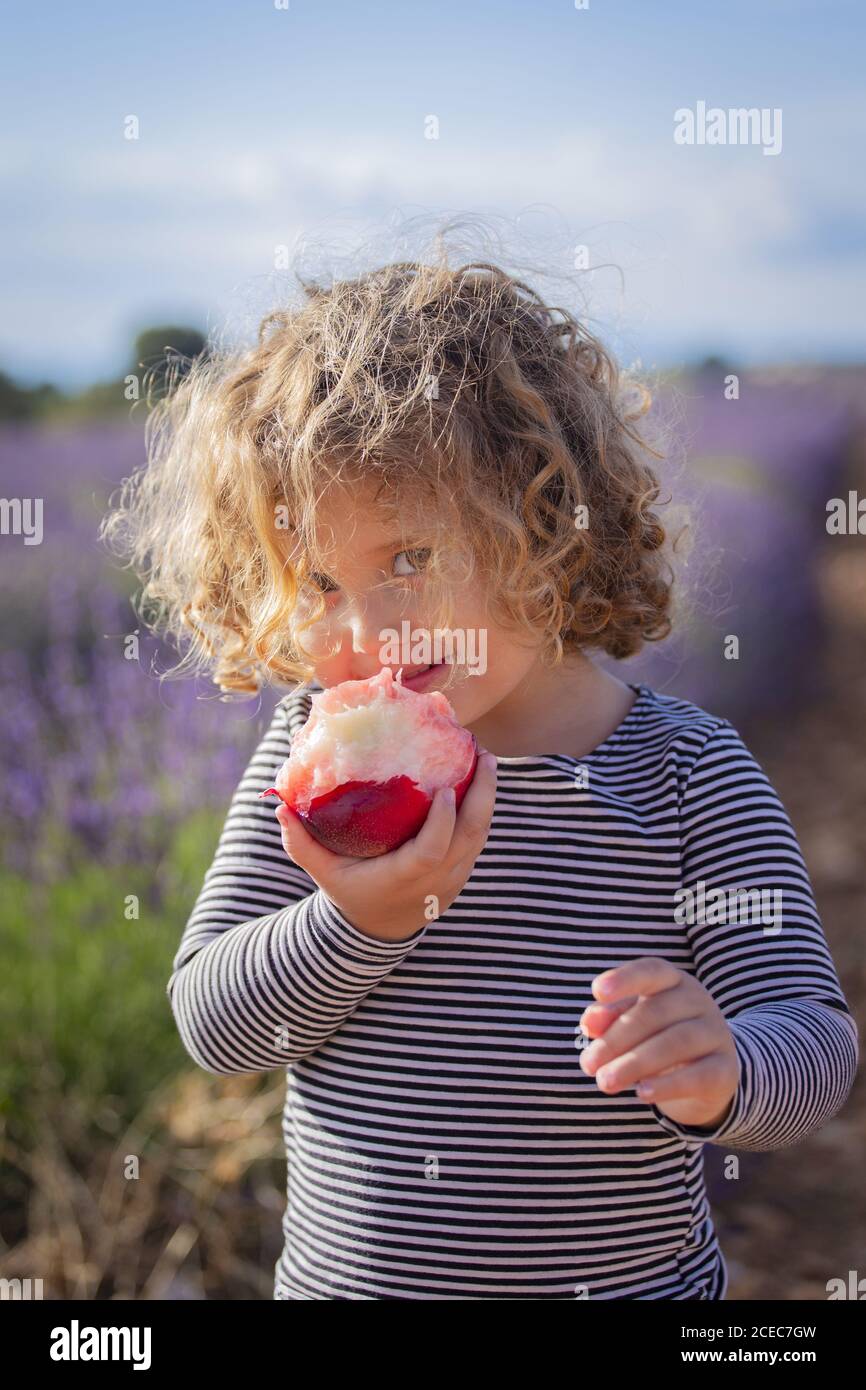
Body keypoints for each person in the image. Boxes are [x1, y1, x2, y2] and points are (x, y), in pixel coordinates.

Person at [103, 255, 858, 1299]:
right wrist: (356, 921)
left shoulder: (686, 774)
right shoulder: (308, 753)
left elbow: (812, 1046)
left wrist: (725, 1063)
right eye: (317, 582)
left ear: (543, 527)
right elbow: (217, 1025)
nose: (364, 633)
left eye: (407, 559)